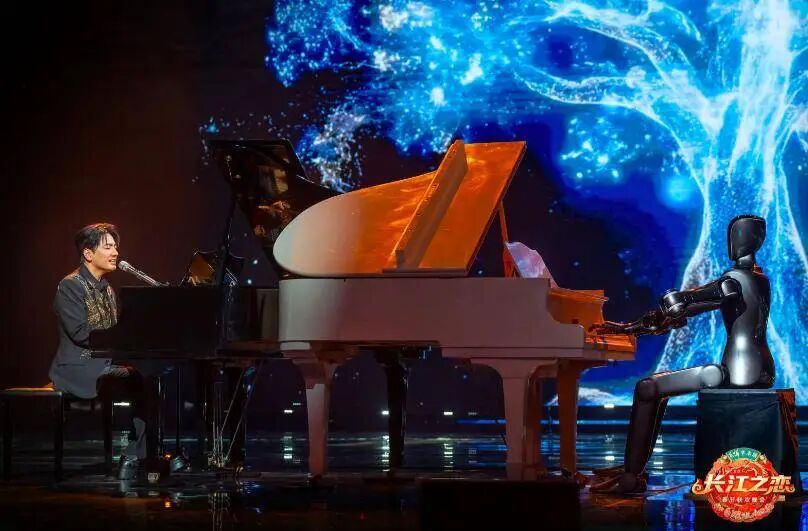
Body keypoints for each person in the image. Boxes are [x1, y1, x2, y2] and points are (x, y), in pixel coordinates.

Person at [590, 215, 773, 494]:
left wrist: (674, 302)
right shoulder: (760, 279)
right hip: (762, 369)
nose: (732, 241)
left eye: (737, 234)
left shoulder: (733, 279)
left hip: (737, 372)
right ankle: (632, 468)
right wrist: (637, 326)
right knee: (657, 388)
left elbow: (697, 298)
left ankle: (630, 475)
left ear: (751, 239)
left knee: (648, 388)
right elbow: (696, 305)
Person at [49, 223, 155, 478]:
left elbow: (114, 329)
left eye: (115, 247)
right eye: (108, 247)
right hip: (77, 366)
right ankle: (136, 456)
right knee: (138, 378)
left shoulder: (107, 288)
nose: (115, 252)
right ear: (88, 253)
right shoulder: (69, 286)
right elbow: (80, 333)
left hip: (103, 363)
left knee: (150, 378)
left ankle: (139, 455)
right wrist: (119, 340)